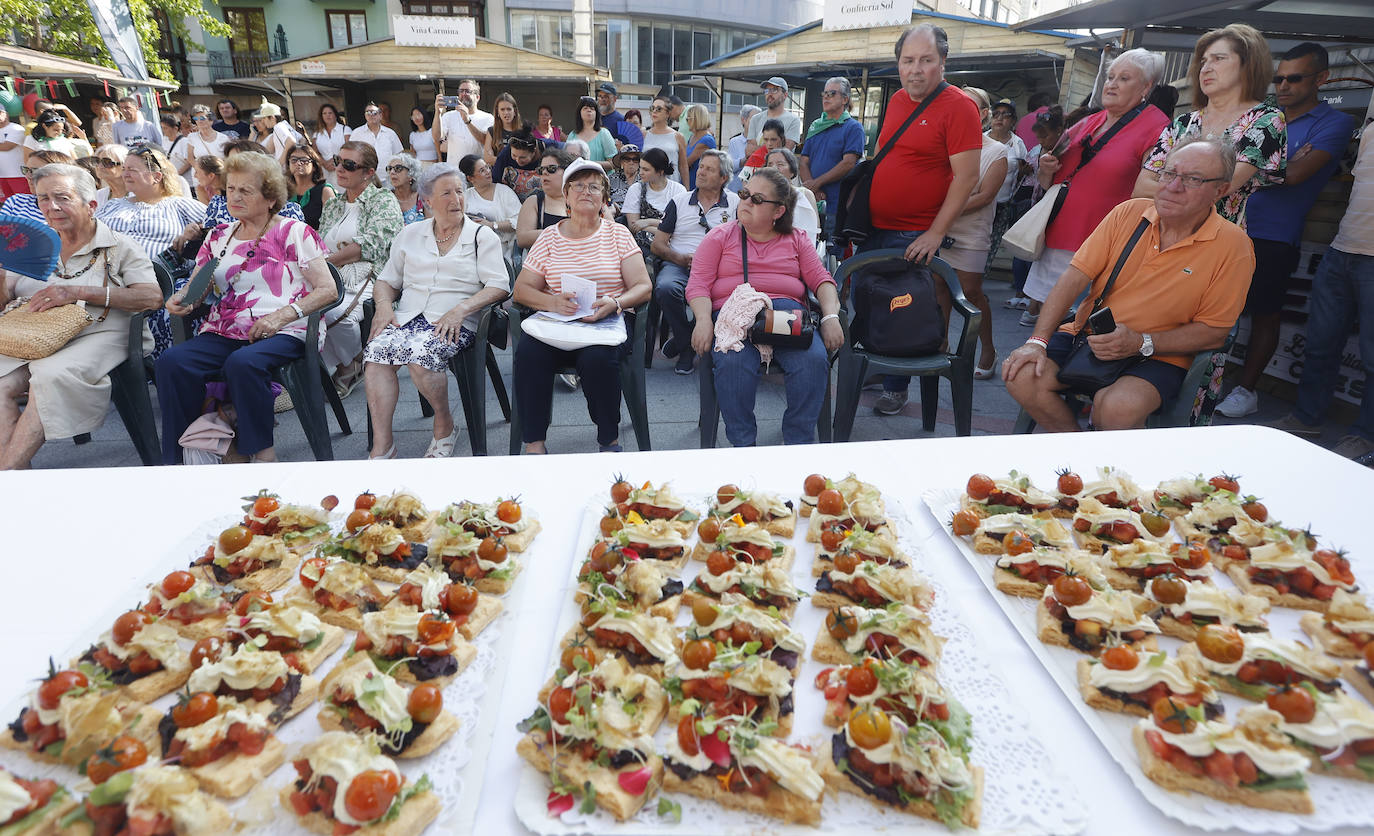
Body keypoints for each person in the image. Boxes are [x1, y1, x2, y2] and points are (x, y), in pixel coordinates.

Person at [1002, 138, 1254, 431]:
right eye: (1169, 173)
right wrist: (1037, 341)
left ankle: (1100, 465)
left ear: (1220, 191)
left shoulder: (1234, 245)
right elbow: (1074, 278)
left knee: (1117, 408)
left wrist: (1142, 342)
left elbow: (1215, 332)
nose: (1173, 186)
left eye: (1193, 179)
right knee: (1020, 375)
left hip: (1160, 352)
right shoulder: (1129, 213)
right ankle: (1084, 458)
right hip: (1088, 337)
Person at [157, 151, 338, 464]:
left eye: (245, 190)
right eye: (230, 189)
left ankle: (261, 453)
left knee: (243, 363)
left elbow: (328, 289)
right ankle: (182, 455)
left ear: (269, 198)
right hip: (227, 327)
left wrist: (281, 316)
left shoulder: (293, 232)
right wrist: (183, 300)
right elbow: (197, 287)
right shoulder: (219, 237)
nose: (234, 197)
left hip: (285, 328)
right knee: (171, 363)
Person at [1217, 43, 1355, 419]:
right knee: (1209, 309)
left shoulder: (1335, 122)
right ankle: (1202, 381)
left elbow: (1294, 175)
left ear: (1321, 79)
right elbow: (1227, 163)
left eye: (1294, 78)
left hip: (1273, 234)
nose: (1283, 86)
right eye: (1279, 78)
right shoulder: (1262, 116)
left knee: (1265, 313)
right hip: (1226, 224)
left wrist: (1251, 168)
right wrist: (1276, 166)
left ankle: (1246, 390)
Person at [0, 163, 162, 469]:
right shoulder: (33, 245)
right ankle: (15, 477)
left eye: (62, 197)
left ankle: (6, 480)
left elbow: (151, 297)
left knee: (49, 376)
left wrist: (77, 293)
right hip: (33, 336)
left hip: (104, 333)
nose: (52, 207)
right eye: (43, 198)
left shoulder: (118, 246)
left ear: (91, 205)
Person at [860, 24, 983, 416]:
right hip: (875, 227)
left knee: (904, 310)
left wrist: (936, 232)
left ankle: (898, 386)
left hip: (916, 231)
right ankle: (877, 363)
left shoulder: (959, 106)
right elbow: (883, 149)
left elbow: (967, 178)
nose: (915, 69)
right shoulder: (896, 99)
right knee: (867, 299)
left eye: (926, 60)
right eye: (907, 60)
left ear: (942, 62)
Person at [686, 167, 843, 446]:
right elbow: (698, 285)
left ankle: (797, 442)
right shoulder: (719, 236)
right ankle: (743, 446)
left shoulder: (796, 238)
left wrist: (831, 316)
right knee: (733, 364)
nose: (745, 201)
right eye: (745, 194)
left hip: (785, 314)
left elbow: (822, 280)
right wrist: (702, 320)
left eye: (757, 199)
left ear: (778, 212)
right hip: (733, 314)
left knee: (812, 362)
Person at [364, 164, 510, 459]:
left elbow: (499, 286)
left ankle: (444, 425)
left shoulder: (482, 236)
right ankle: (383, 446)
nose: (456, 199)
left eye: (459, 191)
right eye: (446, 193)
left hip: (457, 322)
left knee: (420, 356)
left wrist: (462, 308)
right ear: (427, 200)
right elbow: (386, 281)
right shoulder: (410, 234)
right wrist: (382, 307)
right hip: (408, 318)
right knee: (375, 355)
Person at [1021, 49, 1170, 329]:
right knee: (1047, 326)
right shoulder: (1090, 121)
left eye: (1124, 78)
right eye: (1110, 76)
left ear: (1146, 87)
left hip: (1106, 245)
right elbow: (1049, 180)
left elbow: (1154, 191)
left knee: (1084, 329)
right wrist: (1046, 168)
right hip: (1060, 236)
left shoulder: (1158, 128)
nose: (1111, 84)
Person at [511, 158, 652, 453]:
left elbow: (643, 286)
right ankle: (534, 444)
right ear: (566, 196)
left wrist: (615, 302)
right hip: (556, 323)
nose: (585, 191)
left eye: (594, 186)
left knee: (597, 359)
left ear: (604, 197)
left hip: (604, 321)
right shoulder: (549, 237)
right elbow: (521, 291)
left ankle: (608, 439)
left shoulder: (618, 234)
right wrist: (552, 301)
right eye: (577, 186)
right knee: (529, 353)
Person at [1273, 125, 1374, 458]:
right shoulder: (1372, 131)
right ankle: (1306, 418)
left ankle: (1366, 436)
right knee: (1319, 343)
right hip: (1342, 250)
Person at [1134, 23, 1286, 229]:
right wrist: (1193, 187)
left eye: (1219, 58)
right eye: (1204, 61)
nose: (1205, 68)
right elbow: (1141, 187)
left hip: (1215, 242)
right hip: (1160, 235)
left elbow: (1221, 187)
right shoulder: (1183, 123)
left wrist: (1166, 186)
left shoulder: (1267, 119)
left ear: (1247, 64)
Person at [317, 141, 403, 396]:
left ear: (368, 172)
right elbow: (321, 241)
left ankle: (352, 362)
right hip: (333, 274)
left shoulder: (383, 199)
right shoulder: (333, 204)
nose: (340, 168)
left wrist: (329, 262)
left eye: (349, 164)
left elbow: (371, 245)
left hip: (370, 275)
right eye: (338, 160)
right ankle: (343, 362)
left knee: (333, 312)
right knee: (306, 311)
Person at [940, 87, 1009, 379]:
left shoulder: (996, 151)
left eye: (969, 105)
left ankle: (989, 348)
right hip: (938, 231)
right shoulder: (942, 145)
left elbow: (984, 196)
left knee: (970, 292)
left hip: (970, 232)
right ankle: (940, 343)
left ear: (983, 114)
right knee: (938, 289)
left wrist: (942, 212)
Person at [652, 149, 739, 375]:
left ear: (723, 179)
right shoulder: (679, 202)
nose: (700, 172)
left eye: (709, 169)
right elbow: (658, 244)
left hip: (721, 269)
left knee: (735, 294)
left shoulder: (736, 204)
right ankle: (687, 345)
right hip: (680, 264)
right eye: (701, 167)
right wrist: (679, 257)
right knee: (665, 288)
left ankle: (691, 343)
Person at [1005, 108, 1065, 312]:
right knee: (1024, 248)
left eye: (1045, 135)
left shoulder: (1065, 151)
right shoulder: (1038, 150)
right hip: (1033, 205)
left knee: (1040, 254)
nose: (1041, 139)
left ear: (1059, 130)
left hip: (1051, 209)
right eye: (1038, 135)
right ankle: (1023, 293)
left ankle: (1034, 302)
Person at [799, 77, 866, 238]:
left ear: (845, 99)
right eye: (824, 93)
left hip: (836, 205)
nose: (826, 97)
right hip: (812, 203)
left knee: (831, 253)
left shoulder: (853, 128)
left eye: (832, 93)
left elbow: (848, 163)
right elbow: (803, 161)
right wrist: (812, 189)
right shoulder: (816, 126)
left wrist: (816, 183)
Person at [624, 147, 688, 260]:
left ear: (660, 171)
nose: (641, 173)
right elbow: (633, 226)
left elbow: (681, 227)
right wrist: (664, 232)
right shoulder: (636, 189)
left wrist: (647, 222)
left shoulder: (678, 190)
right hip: (642, 246)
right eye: (640, 168)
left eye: (646, 170)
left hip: (673, 246)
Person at [986, 98, 1029, 263]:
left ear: (1013, 121)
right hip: (977, 203)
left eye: (1005, 114)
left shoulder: (1018, 144)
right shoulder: (980, 139)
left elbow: (1022, 173)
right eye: (996, 113)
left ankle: (978, 282)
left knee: (991, 246)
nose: (999, 118)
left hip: (1001, 205)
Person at [459, 153, 521, 263]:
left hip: (502, 248)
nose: (488, 172)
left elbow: (519, 221)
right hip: (472, 247)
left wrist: (491, 225)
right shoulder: (466, 196)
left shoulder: (504, 192)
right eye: (482, 170)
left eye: (487, 167)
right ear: (470, 178)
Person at [1, 150, 75, 222]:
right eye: (26, 170)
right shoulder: (16, 201)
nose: (28, 176)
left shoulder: (70, 210)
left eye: (35, 171)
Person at [433, 79, 494, 165]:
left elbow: (485, 141)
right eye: (461, 91)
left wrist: (467, 120)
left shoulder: (488, 118)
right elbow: (436, 137)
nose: (463, 94)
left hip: (478, 173)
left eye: (468, 91)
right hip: (455, 172)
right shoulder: (448, 116)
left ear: (477, 97)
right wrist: (438, 113)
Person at [767, 148, 820, 242]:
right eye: (770, 164)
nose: (774, 168)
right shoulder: (761, 195)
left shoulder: (805, 194)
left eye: (780, 164)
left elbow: (815, 229)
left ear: (792, 171)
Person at [744, 78, 801, 160]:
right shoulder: (755, 119)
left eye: (774, 90)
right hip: (757, 171)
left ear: (785, 95)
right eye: (767, 90)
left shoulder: (793, 120)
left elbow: (784, 152)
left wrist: (758, 151)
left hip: (779, 171)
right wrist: (773, 150)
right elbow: (749, 151)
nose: (769, 94)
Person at [175, 106, 230, 187]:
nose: (199, 121)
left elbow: (228, 159)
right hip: (200, 179)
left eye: (202, 118)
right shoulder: (192, 137)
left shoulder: (223, 138)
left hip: (219, 178)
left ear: (211, 120)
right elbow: (190, 158)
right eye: (196, 119)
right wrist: (201, 172)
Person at [286, 145, 335, 230]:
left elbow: (332, 226)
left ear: (314, 166)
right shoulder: (284, 191)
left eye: (304, 160)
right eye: (294, 160)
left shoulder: (325, 191)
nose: (298, 163)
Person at [642, 97, 689, 185]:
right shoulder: (643, 134)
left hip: (672, 187)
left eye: (659, 109)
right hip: (647, 187)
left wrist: (686, 190)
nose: (654, 111)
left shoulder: (678, 136)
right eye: (652, 108)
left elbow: (683, 166)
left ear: (668, 113)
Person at [350, 102, 404, 177]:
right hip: (364, 177)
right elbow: (351, 155)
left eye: (375, 113)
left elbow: (398, 155)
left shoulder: (390, 133)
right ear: (365, 115)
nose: (371, 115)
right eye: (368, 112)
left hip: (388, 177)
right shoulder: (356, 133)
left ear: (380, 115)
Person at [569, 96, 617, 169]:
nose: (589, 110)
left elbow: (614, 163)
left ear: (596, 114)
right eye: (585, 108)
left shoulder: (604, 133)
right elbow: (566, 160)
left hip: (600, 178)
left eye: (592, 108)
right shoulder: (572, 135)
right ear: (579, 113)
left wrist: (590, 164)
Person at [493, 133, 543, 201]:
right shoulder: (504, 155)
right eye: (514, 155)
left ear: (534, 151)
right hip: (511, 201)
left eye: (523, 157)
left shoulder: (546, 149)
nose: (518, 160)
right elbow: (495, 182)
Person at [484, 93, 528, 166]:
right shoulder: (492, 131)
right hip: (498, 175)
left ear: (514, 111)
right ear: (498, 112)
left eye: (509, 109)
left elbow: (528, 158)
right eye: (502, 109)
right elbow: (488, 159)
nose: (506, 113)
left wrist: (498, 159)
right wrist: (512, 161)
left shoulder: (523, 131)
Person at [596, 82, 643, 148]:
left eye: (606, 96)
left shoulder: (622, 121)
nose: (602, 99)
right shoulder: (592, 118)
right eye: (600, 96)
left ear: (615, 99)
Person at [313, 103, 351, 183]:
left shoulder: (345, 130)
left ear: (335, 115)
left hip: (343, 168)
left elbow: (350, 149)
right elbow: (315, 152)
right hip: (325, 171)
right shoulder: (317, 133)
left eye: (330, 113)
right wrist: (325, 163)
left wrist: (336, 161)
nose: (328, 116)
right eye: (324, 113)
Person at [251, 100, 295, 165]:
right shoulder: (285, 124)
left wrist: (281, 162)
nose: (263, 121)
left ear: (272, 117)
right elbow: (302, 140)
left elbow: (291, 142)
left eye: (264, 118)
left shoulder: (278, 127)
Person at [683, 105, 716, 190]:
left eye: (688, 119)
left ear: (696, 119)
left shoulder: (706, 140)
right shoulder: (693, 136)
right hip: (688, 180)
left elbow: (686, 163)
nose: (687, 122)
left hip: (698, 184)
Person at [387, 153, 425, 224]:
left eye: (398, 168)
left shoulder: (422, 198)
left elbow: (431, 227)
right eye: (389, 169)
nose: (392, 172)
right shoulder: (385, 199)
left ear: (411, 174)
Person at [0, 109, 27, 200]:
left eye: (0, 113)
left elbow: (7, 146)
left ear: (6, 114)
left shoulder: (16, 128)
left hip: (18, 174)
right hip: (2, 176)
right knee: (6, 204)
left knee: (23, 202)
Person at [728, 105, 761, 177]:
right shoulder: (734, 141)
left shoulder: (763, 142)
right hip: (736, 187)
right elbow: (729, 167)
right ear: (743, 120)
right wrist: (744, 160)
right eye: (754, 119)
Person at [608, 144, 641, 210]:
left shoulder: (645, 179)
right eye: (627, 159)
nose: (631, 162)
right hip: (616, 214)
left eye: (635, 159)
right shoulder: (610, 179)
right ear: (621, 162)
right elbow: (605, 199)